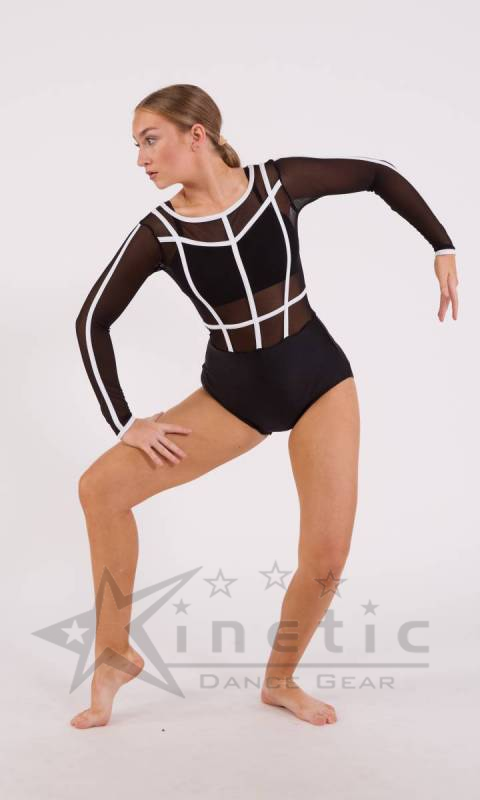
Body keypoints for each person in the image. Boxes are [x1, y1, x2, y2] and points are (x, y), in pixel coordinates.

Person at [71, 83, 458, 729]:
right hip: (233, 398)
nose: (141, 158)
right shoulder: (161, 233)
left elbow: (377, 174)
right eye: (137, 145)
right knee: (100, 490)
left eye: (150, 140)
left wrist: (441, 246)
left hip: (318, 383)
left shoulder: (279, 185)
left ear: (197, 134)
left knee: (326, 559)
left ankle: (280, 681)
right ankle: (114, 654)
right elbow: (92, 322)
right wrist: (126, 422)